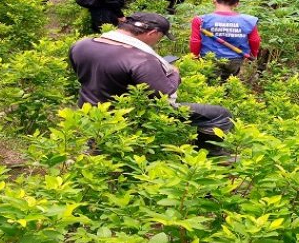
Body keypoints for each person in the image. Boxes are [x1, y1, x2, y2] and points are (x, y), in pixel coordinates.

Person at [68, 12, 234, 157]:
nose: (157, 42)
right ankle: (208, 161)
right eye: (160, 38)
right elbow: (163, 95)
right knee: (220, 114)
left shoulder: (81, 44)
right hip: (128, 114)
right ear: (153, 33)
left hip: (89, 108)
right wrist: (174, 75)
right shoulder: (141, 59)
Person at [190, 0, 261, 80]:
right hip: (235, 58)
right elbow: (255, 40)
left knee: (209, 84)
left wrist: (194, 57)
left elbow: (195, 41)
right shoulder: (248, 20)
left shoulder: (200, 20)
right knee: (228, 82)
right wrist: (253, 54)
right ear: (236, 4)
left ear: (214, 1)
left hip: (209, 57)